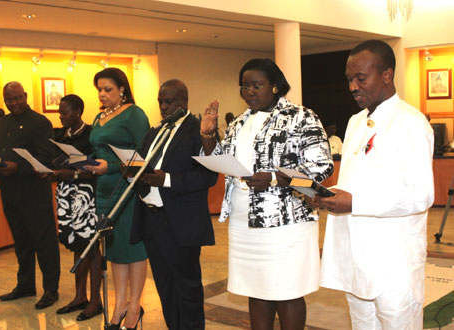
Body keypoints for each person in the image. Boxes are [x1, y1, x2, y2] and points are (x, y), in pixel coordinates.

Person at [200, 58, 333, 330]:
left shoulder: (301, 116)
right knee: (256, 287)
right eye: (244, 86)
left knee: (287, 290)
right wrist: (208, 135)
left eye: (256, 85)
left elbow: (321, 166)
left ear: (274, 85)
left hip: (286, 220)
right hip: (243, 219)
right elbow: (221, 160)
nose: (249, 91)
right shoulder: (238, 123)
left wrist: (274, 178)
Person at [315, 40, 434, 330]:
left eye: (361, 78)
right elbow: (357, 183)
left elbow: (421, 195)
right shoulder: (356, 121)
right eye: (349, 80)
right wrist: (325, 197)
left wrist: (354, 203)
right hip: (357, 257)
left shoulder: (410, 123)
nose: (353, 86)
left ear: (387, 75)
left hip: (394, 260)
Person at [130, 79, 218, 330]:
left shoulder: (198, 130)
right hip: (151, 218)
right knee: (165, 285)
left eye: (168, 101)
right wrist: (134, 171)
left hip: (180, 222)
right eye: (160, 102)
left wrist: (166, 179)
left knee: (186, 288)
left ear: (183, 101)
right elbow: (143, 163)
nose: (163, 107)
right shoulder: (155, 130)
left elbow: (208, 176)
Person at [84, 68, 149, 330]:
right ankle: (120, 303)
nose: (102, 94)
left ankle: (134, 306)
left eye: (107, 89)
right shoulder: (100, 116)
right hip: (102, 190)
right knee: (114, 250)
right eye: (99, 89)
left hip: (127, 188)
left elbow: (142, 156)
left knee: (133, 249)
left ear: (122, 89)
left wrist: (108, 167)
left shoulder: (134, 114)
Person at [0, 81, 60, 309]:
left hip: (34, 193)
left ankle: (51, 290)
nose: (13, 103)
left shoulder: (40, 123)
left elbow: (45, 158)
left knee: (44, 243)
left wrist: (17, 167)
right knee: (21, 242)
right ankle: (25, 286)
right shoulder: (3, 122)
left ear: (26, 95)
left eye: (17, 98)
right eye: (9, 100)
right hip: (10, 193)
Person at [52, 94, 103, 321]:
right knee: (75, 245)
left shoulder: (92, 134)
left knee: (91, 247)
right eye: (60, 112)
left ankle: (95, 300)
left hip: (86, 196)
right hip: (66, 195)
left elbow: (96, 167)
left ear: (78, 112)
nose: (61, 116)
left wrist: (73, 172)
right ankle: (79, 296)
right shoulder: (60, 135)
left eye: (65, 112)